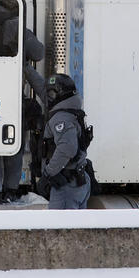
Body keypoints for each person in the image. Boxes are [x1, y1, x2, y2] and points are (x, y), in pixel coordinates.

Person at [0, 0, 44, 204]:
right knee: (14, 143)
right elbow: (39, 53)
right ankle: (10, 190)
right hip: (12, 97)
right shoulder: (16, 26)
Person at [41, 74, 91, 209]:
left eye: (51, 94)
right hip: (77, 180)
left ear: (61, 94)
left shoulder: (61, 117)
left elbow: (67, 148)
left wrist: (48, 173)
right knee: (77, 228)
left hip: (66, 184)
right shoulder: (72, 111)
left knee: (60, 228)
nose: (49, 98)